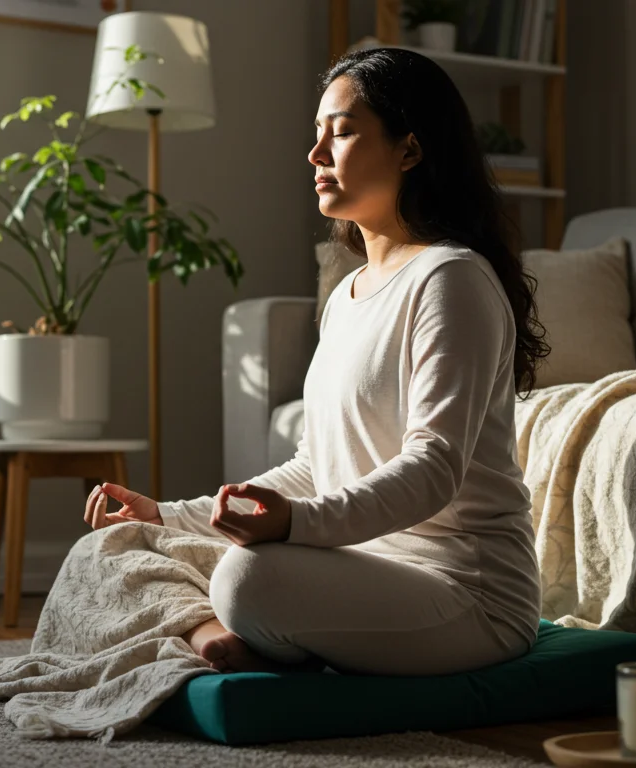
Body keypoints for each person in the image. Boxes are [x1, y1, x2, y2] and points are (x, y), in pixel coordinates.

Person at [81, 47, 550, 678]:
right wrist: (164, 515)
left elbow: (433, 466)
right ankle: (214, 638)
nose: (316, 154)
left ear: (410, 149)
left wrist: (297, 525)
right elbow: (315, 464)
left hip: (466, 595)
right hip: (357, 568)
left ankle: (222, 631)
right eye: (317, 133)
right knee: (112, 546)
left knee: (250, 575)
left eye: (344, 131)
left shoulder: (451, 278)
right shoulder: (348, 296)